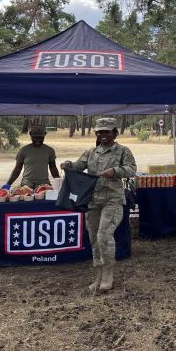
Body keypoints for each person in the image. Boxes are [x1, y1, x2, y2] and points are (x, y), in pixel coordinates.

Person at [61, 118, 136, 291]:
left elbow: (132, 168)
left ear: (114, 133)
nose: (103, 134)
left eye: (106, 131)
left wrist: (116, 171)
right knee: (94, 238)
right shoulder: (91, 152)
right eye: (100, 132)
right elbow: (80, 165)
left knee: (104, 236)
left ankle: (109, 274)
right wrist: (69, 165)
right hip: (93, 201)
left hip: (112, 200)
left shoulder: (122, 151)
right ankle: (99, 274)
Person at [4, 125, 60, 190]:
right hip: (27, 184)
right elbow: (17, 170)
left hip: (44, 183)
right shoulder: (23, 150)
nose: (37, 140)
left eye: (40, 138)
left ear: (45, 134)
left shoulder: (50, 151)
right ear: (30, 135)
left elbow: (53, 169)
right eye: (35, 137)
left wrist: (59, 182)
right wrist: (8, 184)